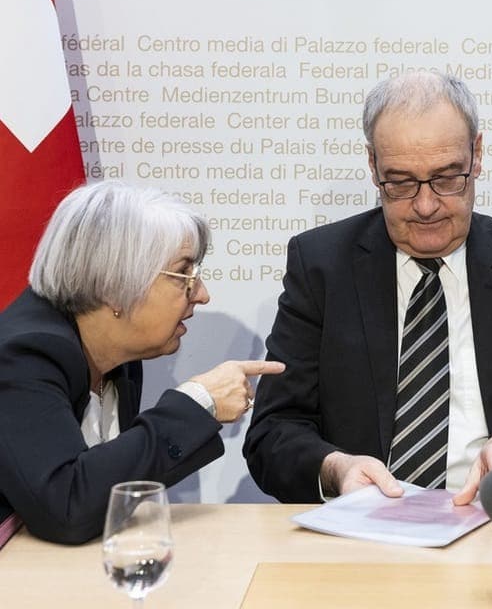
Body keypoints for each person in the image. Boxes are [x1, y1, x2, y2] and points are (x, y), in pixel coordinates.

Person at [244, 70, 492, 507]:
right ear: (372, 166)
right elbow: (273, 432)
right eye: (400, 183)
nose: (425, 206)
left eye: (446, 178)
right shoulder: (322, 266)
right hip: (363, 531)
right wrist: (335, 468)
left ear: (476, 155)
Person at [0, 182, 284, 545]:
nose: (201, 294)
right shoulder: (21, 356)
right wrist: (198, 404)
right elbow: (67, 508)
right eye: (185, 275)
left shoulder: (120, 354)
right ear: (114, 285)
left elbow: (106, 494)